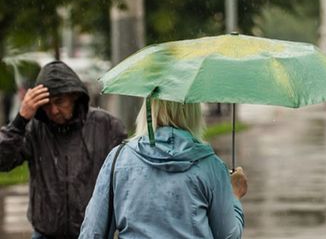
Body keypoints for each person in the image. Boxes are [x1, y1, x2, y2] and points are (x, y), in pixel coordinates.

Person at [79, 99, 247, 238]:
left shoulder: (118, 160)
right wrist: (233, 196)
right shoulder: (211, 166)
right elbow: (228, 236)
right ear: (193, 111)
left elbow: (92, 233)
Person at [0, 61, 127, 238]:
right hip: (45, 233)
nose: (53, 110)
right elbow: (2, 161)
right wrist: (20, 121)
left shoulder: (107, 126)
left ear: (74, 96)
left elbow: (127, 178)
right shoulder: (33, 128)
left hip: (93, 234)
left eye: (59, 101)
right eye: (46, 104)